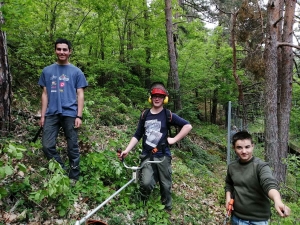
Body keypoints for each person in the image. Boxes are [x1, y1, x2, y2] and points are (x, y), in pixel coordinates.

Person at [118, 82, 192, 211]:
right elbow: (137, 134)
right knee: (145, 183)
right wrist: (127, 150)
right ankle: (143, 204)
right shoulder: (145, 115)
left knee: (165, 184)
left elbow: (187, 126)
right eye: (154, 96)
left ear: (165, 99)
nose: (157, 98)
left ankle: (167, 208)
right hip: (147, 155)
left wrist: (174, 139)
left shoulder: (168, 114)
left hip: (163, 155)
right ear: (150, 98)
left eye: (160, 96)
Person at [38, 38, 88, 182]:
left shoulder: (76, 72)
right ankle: (61, 169)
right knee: (47, 145)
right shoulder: (47, 71)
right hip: (52, 113)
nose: (61, 52)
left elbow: (80, 94)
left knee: (72, 146)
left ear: (70, 52)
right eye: (59, 49)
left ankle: (74, 176)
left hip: (70, 113)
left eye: (64, 49)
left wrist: (79, 116)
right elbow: (45, 94)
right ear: (55, 51)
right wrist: (42, 116)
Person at [225, 131, 291, 225]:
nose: (244, 151)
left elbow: (269, 183)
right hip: (236, 218)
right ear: (234, 148)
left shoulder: (261, 166)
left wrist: (277, 200)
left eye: (247, 147)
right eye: (239, 147)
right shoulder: (232, 167)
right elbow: (229, 183)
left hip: (257, 221)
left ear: (252, 146)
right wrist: (228, 198)